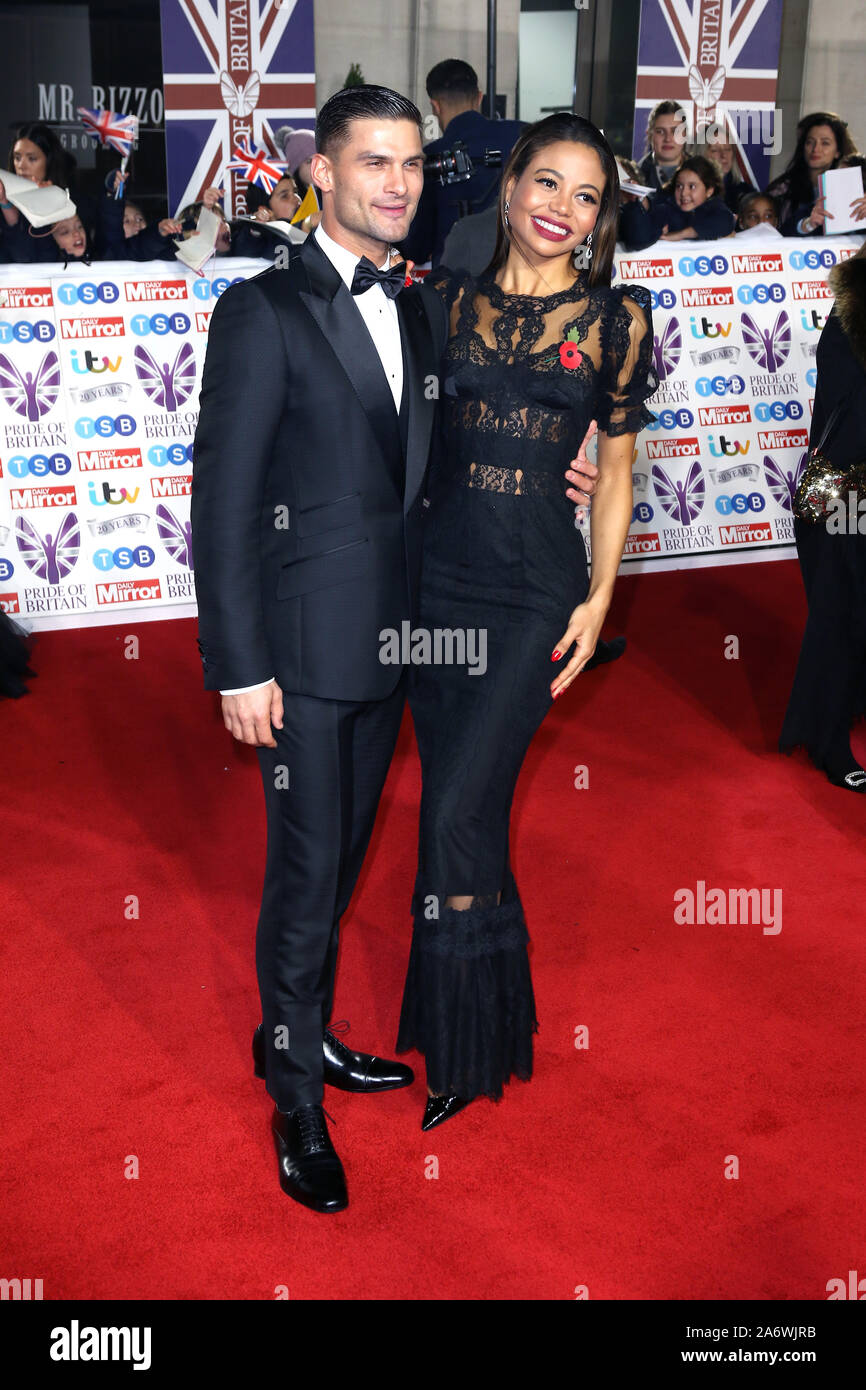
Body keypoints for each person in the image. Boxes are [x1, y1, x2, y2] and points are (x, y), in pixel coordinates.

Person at [191, 84, 599, 1213]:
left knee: (345, 862)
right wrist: (238, 663)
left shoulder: (426, 308)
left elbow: (471, 437)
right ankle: (293, 1097)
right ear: (323, 172)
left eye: (412, 164)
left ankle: (310, 1035)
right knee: (307, 876)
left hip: (399, 651)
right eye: (373, 163)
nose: (398, 184)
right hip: (302, 656)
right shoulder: (262, 312)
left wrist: (567, 464)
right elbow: (221, 505)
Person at [396, 113, 657, 1127]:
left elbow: (618, 472)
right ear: (506, 191)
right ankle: (482, 1021)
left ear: (599, 220)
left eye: (584, 195)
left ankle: (461, 1049)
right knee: (464, 811)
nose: (560, 208)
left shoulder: (612, 322)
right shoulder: (441, 304)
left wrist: (597, 598)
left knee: (456, 807)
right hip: (436, 588)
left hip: (532, 593)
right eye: (544, 183)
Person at [780, 244, 866, 792]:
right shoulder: (853, 307)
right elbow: (843, 407)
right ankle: (829, 738)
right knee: (844, 612)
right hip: (848, 489)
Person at [402, 58, 524, 266]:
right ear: (479, 98)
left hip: (451, 286)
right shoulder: (522, 136)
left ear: (435, 105)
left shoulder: (430, 159)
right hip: (519, 277)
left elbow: (416, 248)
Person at [766, 111, 859, 236]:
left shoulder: (855, 184)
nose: (816, 149)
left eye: (825, 143)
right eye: (810, 142)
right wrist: (807, 224)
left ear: (838, 151)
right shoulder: (781, 189)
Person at [620, 155, 735, 250]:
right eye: (679, 186)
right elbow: (637, 240)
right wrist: (638, 201)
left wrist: (682, 234)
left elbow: (726, 220)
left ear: (709, 191)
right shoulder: (667, 206)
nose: (684, 193)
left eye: (692, 186)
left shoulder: (716, 209)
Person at [636, 101, 689, 192]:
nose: (668, 139)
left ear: (685, 134)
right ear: (650, 135)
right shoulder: (636, 177)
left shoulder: (701, 174)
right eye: (660, 131)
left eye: (675, 131)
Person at [704, 129, 753, 212]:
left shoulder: (746, 194)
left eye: (727, 149)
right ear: (702, 154)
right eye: (715, 150)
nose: (723, 155)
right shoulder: (690, 190)